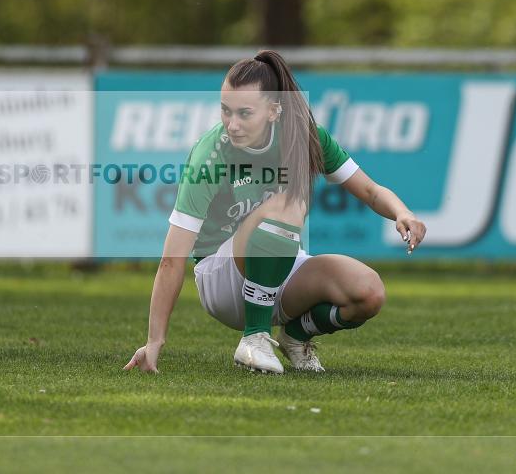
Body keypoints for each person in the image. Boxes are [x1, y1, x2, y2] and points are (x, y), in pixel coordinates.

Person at [124, 49, 427, 375]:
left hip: (277, 264)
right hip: (221, 280)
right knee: (287, 202)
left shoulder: (305, 136)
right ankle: (253, 337)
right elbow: (173, 257)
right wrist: (155, 340)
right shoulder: (211, 155)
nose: (232, 124)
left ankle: (295, 337)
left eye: (244, 113)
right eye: (225, 111)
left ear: (274, 110)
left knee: (368, 292)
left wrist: (401, 212)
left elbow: (369, 190)